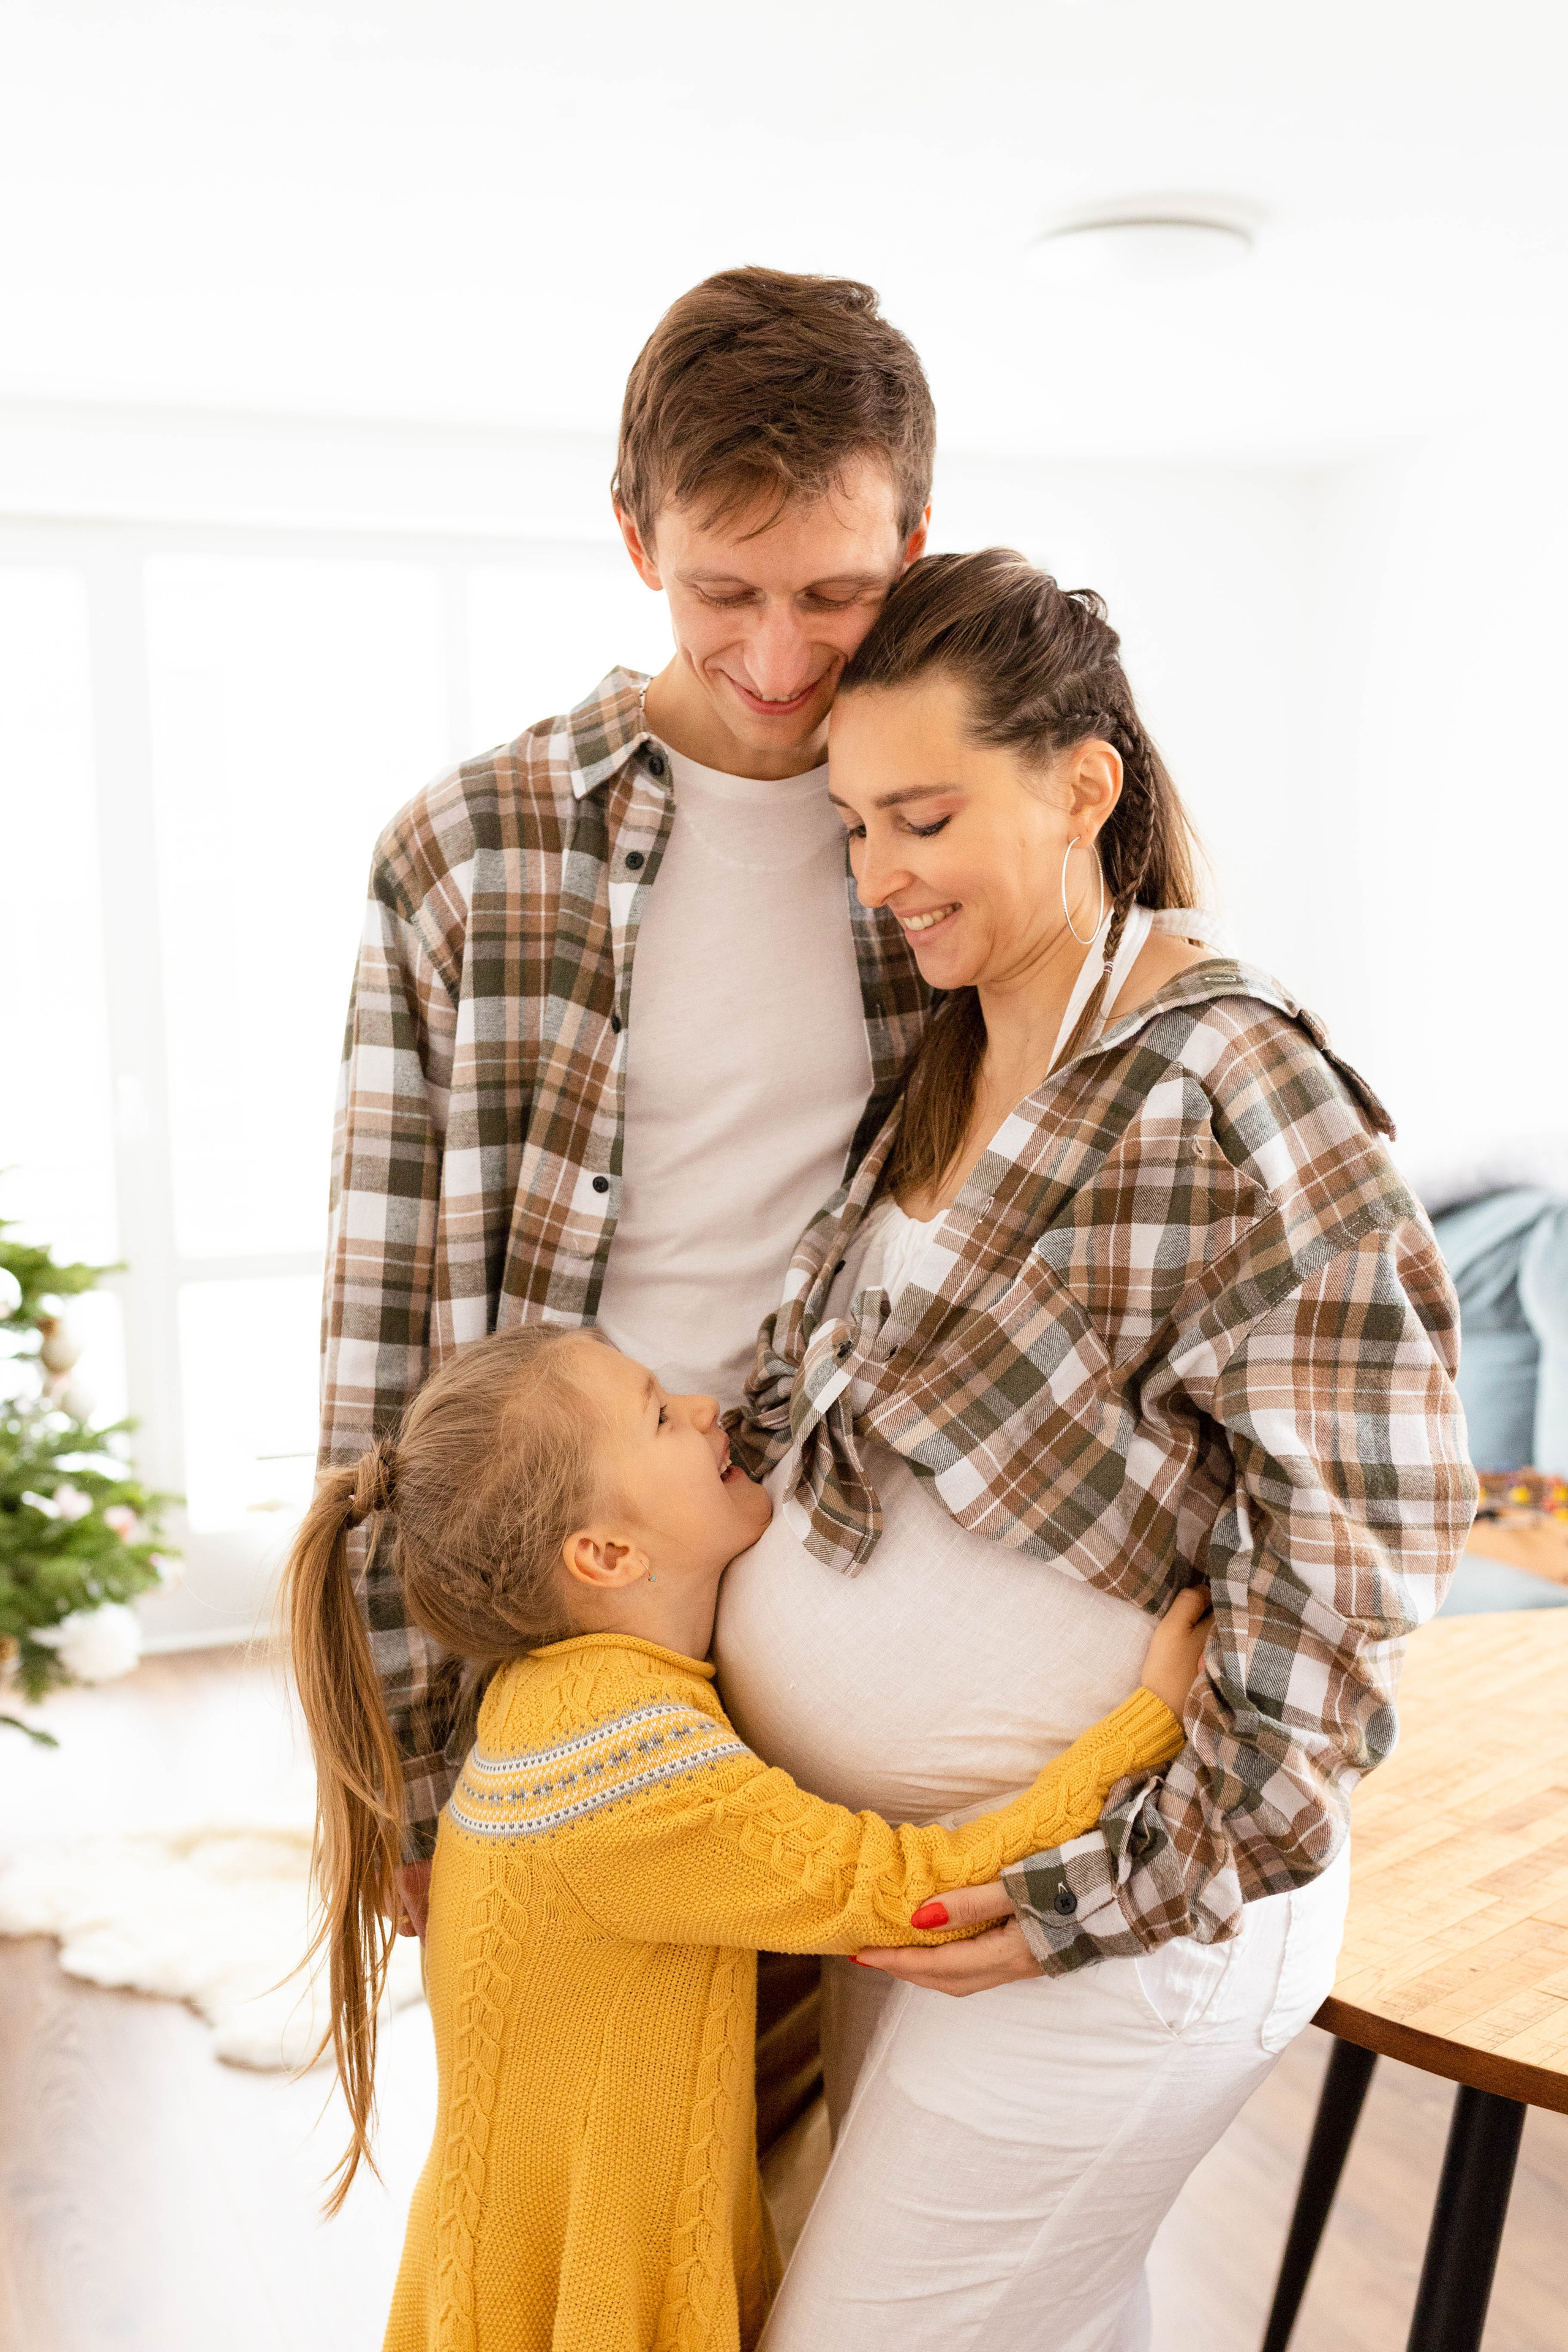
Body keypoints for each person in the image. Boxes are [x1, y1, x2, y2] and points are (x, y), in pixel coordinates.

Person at [714, 549, 1477, 2348]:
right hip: (926, 1886)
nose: (879, 876)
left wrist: (1106, 1885)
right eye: (854, 827)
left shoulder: (1227, 1078)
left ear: (1082, 786)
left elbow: (1362, 1542)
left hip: (1117, 1923)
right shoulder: (947, 1060)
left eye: (922, 818)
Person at [317, 270, 935, 2010]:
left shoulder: (945, 836)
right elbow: (383, 1322)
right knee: (600, 2123)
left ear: (915, 541)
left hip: (854, 1589)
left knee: (837, 2126)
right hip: (573, 1630)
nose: (777, 658)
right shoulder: (469, 851)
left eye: (835, 594)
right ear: (634, 535)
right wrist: (396, 1760)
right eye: (722, 591)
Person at [285, 1324, 1212, 2350]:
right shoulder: (629, 1764)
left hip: (506, 2267)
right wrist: (1145, 1723)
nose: (703, 1408)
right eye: (658, 1416)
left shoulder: (548, 1701)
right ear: (607, 1555)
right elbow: (917, 1891)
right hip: (576, 2307)